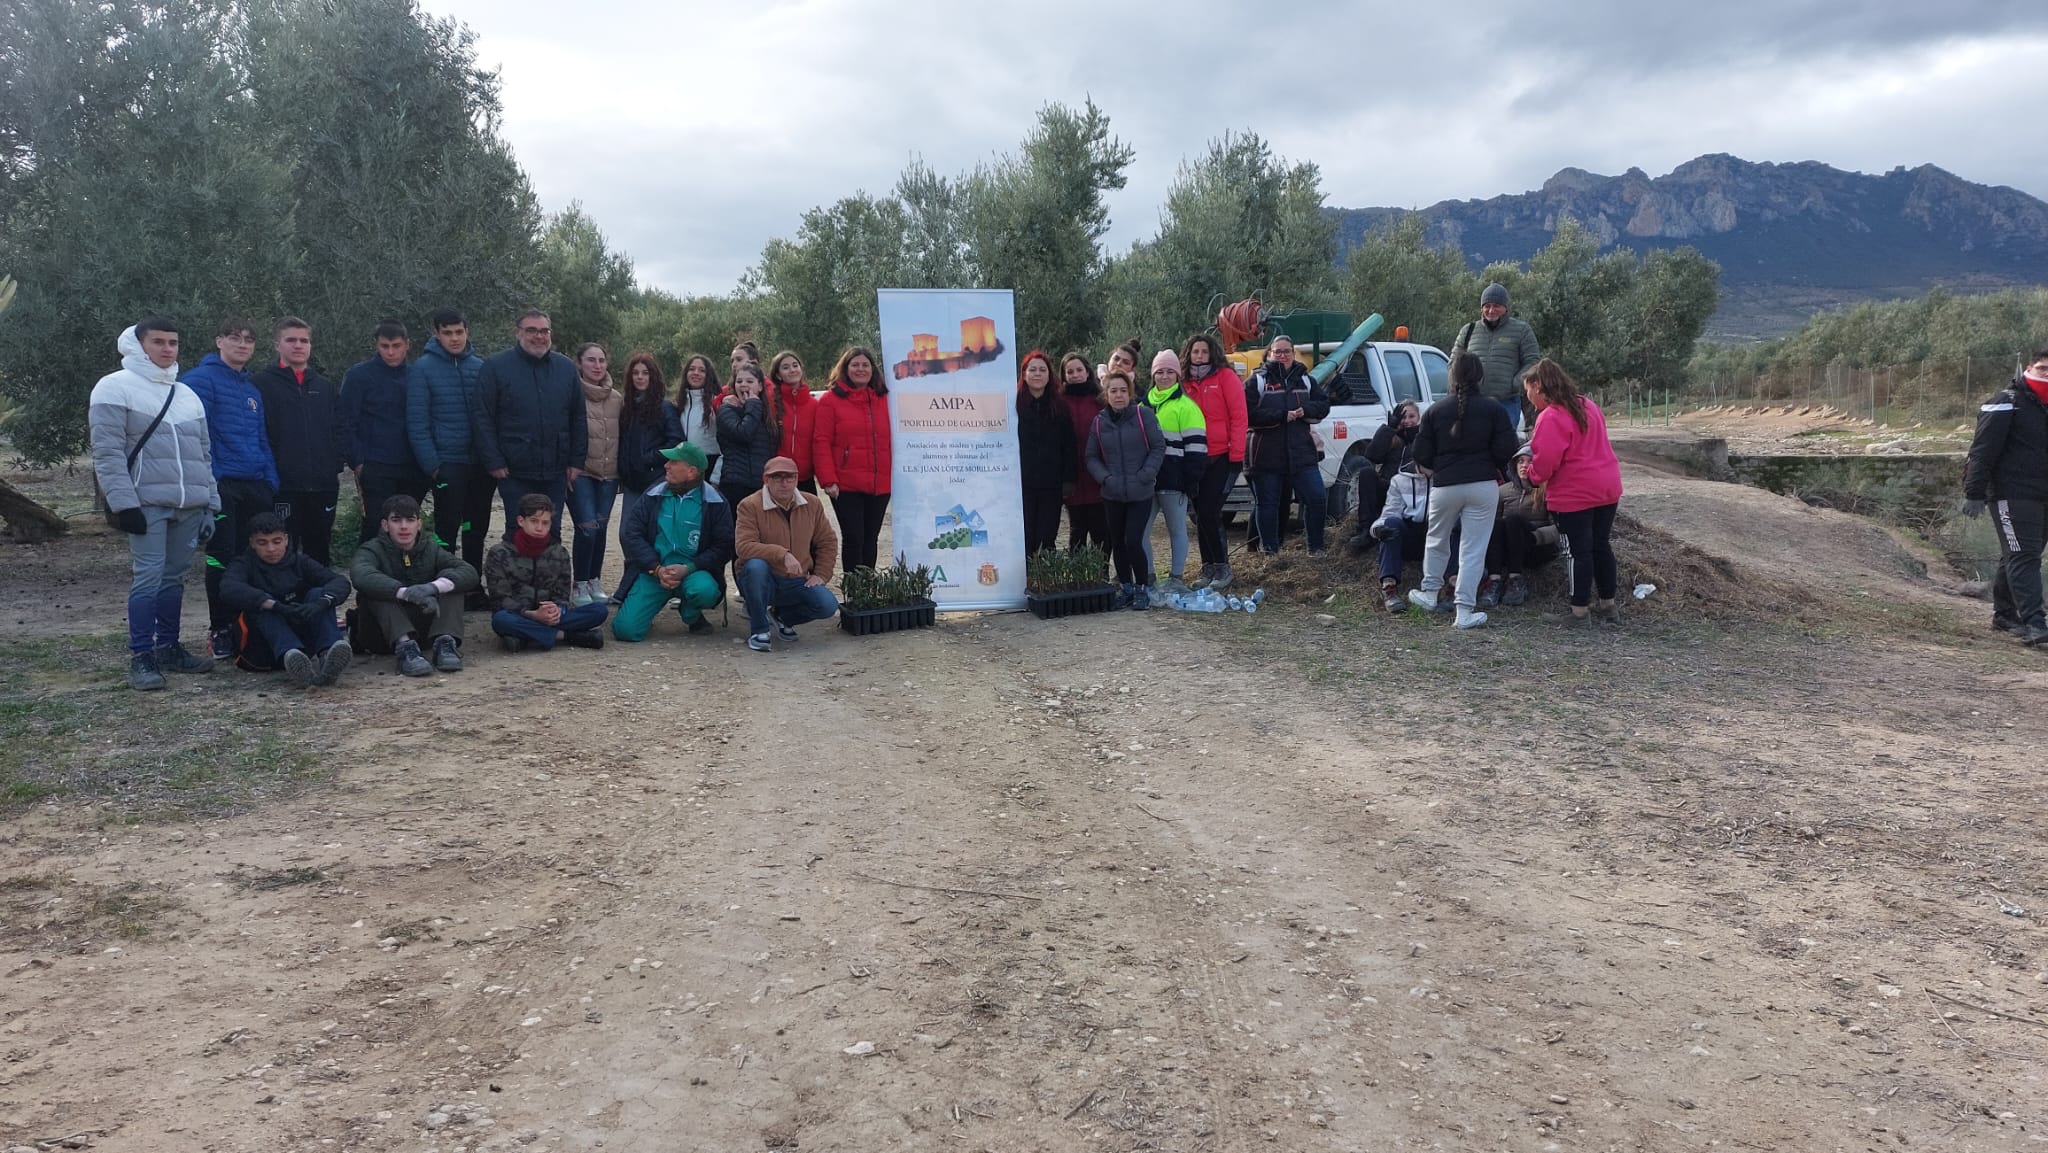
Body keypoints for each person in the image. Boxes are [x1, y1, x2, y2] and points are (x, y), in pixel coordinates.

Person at [90, 318, 220, 690]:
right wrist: (122, 504)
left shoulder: (186, 395)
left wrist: (211, 502)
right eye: (159, 342)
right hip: (145, 504)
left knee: (174, 579)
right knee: (147, 578)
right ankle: (142, 656)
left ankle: (169, 647)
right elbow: (108, 453)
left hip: (189, 506)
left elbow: (204, 454)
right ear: (137, 344)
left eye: (173, 343)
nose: (167, 349)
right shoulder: (114, 388)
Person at [181, 316, 280, 661]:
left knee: (256, 555)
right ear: (219, 341)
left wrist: (271, 480)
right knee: (221, 556)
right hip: (222, 483)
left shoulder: (251, 389)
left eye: (249, 340)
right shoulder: (198, 380)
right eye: (235, 338)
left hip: (256, 483)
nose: (243, 345)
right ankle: (220, 628)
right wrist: (211, 479)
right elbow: (194, 436)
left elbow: (261, 437)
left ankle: (250, 621)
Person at [1408, 352, 1517, 629]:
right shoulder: (1494, 410)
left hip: (1445, 485)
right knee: (1473, 548)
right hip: (1482, 484)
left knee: (1436, 539)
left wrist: (1440, 466)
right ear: (1480, 376)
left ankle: (1430, 592)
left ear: (1452, 377)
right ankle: (1464, 610)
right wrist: (1488, 463)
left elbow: (1420, 451)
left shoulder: (1435, 410)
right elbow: (1507, 449)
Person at [1524, 359, 1624, 623]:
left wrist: (1532, 477)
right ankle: (1608, 604)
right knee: (1601, 545)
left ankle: (1579, 611)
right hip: (1607, 486)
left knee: (1577, 552)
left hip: (1574, 493)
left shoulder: (1551, 416)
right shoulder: (1587, 405)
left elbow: (1546, 461)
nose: (1528, 397)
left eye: (1528, 390)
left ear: (1538, 386)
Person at [473, 309, 586, 541]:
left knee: (551, 531)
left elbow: (578, 417)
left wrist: (577, 461)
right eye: (532, 330)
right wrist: (493, 460)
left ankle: (550, 577)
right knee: (518, 531)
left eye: (544, 331)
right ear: (518, 333)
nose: (539, 336)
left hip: (555, 469)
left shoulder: (566, 368)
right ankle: (516, 577)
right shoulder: (495, 367)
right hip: (514, 470)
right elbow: (482, 417)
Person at [408, 308, 493, 604]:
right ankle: (445, 588)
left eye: (459, 332)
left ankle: (472, 586)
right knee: (446, 529)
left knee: (476, 527)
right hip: (447, 464)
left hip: (479, 465)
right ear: (436, 334)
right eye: (447, 332)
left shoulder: (480, 366)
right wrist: (433, 467)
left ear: (467, 331)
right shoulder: (423, 368)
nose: (454, 338)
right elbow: (417, 422)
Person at [1966, 348, 2048, 643]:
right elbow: (1982, 451)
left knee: (2019, 554)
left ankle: (2004, 615)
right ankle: (2036, 623)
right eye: (2043, 369)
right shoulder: (2006, 403)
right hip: (2011, 494)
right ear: (2029, 368)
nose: (2047, 376)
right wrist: (1973, 492)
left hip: (2042, 496)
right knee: (2023, 556)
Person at [612, 443, 733, 641]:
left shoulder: (716, 502)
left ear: (691, 471)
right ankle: (647, 608)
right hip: (655, 572)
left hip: (694, 573)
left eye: (674, 462)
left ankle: (691, 613)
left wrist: (689, 568)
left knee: (705, 591)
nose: (666, 465)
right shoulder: (653, 494)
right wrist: (656, 568)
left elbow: (724, 547)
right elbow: (632, 534)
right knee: (625, 631)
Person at [253, 316, 348, 565]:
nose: (298, 345)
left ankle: (319, 602)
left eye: (304, 340)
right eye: (291, 340)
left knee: (319, 550)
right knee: (282, 553)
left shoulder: (324, 386)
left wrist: (335, 463)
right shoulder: (261, 384)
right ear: (277, 345)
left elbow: (339, 428)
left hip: (323, 485)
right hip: (283, 485)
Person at [218, 511, 353, 686]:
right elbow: (228, 588)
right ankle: (291, 655)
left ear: (286, 539)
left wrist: (320, 604)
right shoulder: (243, 564)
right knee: (259, 604)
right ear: (252, 543)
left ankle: (328, 654)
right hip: (260, 648)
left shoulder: (299, 561)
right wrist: (275, 606)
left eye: (276, 541)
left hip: (301, 635)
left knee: (318, 593)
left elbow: (339, 581)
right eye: (262, 543)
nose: (271, 549)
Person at [349, 494, 478, 676]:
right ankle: (405, 648)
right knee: (375, 589)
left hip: (425, 632)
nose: (403, 526)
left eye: (410, 520)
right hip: (382, 636)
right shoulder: (371, 549)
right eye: (396, 520)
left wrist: (433, 587)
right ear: (385, 525)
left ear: (418, 524)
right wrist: (406, 593)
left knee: (450, 581)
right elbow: (360, 575)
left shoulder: (430, 548)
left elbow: (468, 572)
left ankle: (444, 643)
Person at [735, 455, 843, 651]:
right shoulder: (749, 505)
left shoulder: (812, 503)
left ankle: (783, 618)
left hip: (796, 578)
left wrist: (821, 574)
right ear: (766, 480)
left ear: (797, 479)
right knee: (755, 566)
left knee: (828, 605)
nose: (784, 483)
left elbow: (827, 541)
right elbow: (743, 547)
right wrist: (782, 554)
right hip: (763, 579)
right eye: (777, 478)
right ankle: (759, 630)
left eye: (790, 478)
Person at [485, 493, 607, 652]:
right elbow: (500, 599)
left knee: (599, 610)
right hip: (520, 614)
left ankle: (525, 637)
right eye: (534, 521)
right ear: (521, 521)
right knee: (501, 620)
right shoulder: (499, 553)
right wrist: (533, 614)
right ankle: (566, 636)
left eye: (545, 523)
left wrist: (555, 610)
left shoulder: (558, 552)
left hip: (551, 615)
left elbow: (562, 595)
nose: (539, 528)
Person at [342, 320, 428, 546]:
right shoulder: (359, 376)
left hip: (414, 465)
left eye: (396, 346)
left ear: (407, 345)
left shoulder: (417, 375)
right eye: (385, 346)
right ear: (376, 346)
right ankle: (368, 577)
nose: (391, 352)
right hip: (375, 464)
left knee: (407, 526)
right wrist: (357, 461)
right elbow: (346, 421)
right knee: (376, 525)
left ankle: (406, 575)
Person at [1085, 372, 1166, 610]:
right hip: (1113, 493)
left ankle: (1142, 587)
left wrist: (1146, 474)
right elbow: (1091, 456)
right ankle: (1126, 587)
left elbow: (1158, 447)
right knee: (1118, 542)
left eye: (1122, 390)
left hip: (1140, 492)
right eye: (1113, 391)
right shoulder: (1099, 421)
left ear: (1129, 393)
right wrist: (1105, 478)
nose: (1118, 395)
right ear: (1106, 394)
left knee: (1133, 541)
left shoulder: (1143, 416)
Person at [1244, 335, 1331, 556]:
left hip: (1301, 453)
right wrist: (1281, 416)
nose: (1282, 355)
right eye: (1278, 352)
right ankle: (1271, 554)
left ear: (1294, 353)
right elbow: (1247, 414)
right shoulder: (1257, 381)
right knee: (1268, 506)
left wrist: (1307, 411)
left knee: (1317, 498)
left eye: (1287, 351)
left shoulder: (1306, 380)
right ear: (1270, 354)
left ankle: (1317, 549)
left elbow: (1323, 405)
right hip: (1265, 455)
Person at [813, 346, 893, 573]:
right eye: (855, 365)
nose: (860, 369)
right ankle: (854, 593)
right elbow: (821, 441)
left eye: (865, 365)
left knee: (871, 539)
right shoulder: (830, 401)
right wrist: (828, 480)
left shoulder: (885, 398)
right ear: (845, 369)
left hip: (880, 483)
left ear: (872, 369)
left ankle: (867, 592)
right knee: (854, 538)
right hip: (846, 485)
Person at [1180, 333, 1246, 591]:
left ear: (1212, 354)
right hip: (1192, 457)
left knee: (1210, 512)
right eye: (1195, 352)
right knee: (1199, 514)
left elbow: (1239, 417)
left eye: (1203, 352)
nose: (1199, 356)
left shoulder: (1226, 378)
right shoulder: (1183, 382)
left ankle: (1222, 567)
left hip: (1221, 455)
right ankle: (1207, 568)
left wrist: (1237, 456)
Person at [1141, 349, 1208, 593]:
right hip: (1146, 482)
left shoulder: (1186, 406)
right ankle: (1148, 578)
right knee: (1140, 532)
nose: (1165, 376)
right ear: (1153, 374)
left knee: (1177, 531)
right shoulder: (1142, 405)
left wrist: (1191, 479)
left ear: (1178, 375)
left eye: (1170, 371)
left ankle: (1176, 578)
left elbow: (1197, 447)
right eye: (1160, 371)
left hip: (1174, 481)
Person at [568, 343, 623, 606]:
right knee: (587, 527)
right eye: (591, 360)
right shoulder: (571, 394)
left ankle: (594, 580)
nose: (597, 366)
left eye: (601, 360)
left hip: (609, 473)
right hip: (581, 472)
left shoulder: (616, 398)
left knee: (600, 528)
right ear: (579, 363)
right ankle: (579, 583)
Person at [1452, 283, 1543, 430]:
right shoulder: (1468, 330)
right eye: (1487, 306)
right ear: (1481, 308)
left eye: (1496, 306)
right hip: (1472, 402)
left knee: (1502, 446)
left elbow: (1533, 362)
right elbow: (1453, 362)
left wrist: (1514, 384)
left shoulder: (1522, 330)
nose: (1491, 310)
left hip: (1506, 403)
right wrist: (1457, 387)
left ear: (1505, 307)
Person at [1015, 350, 1075, 557]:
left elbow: (1069, 445)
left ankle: (1045, 583)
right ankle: (1025, 581)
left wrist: (1068, 480)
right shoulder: (1013, 406)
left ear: (1049, 375)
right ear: (1024, 374)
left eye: (1042, 370)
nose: (1037, 374)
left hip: (1052, 483)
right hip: (1022, 484)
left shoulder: (1060, 406)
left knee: (1047, 535)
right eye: (1033, 370)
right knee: (1025, 535)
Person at [1487, 445, 1562, 608]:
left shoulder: (1548, 491)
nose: (1524, 465)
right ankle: (1494, 581)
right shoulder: (1502, 491)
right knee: (1498, 523)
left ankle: (1515, 579)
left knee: (1514, 520)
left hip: (1536, 546)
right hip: (1508, 547)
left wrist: (1535, 537)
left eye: (1530, 461)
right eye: (1520, 461)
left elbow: (1558, 528)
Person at [618, 352, 684, 532]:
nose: (640, 377)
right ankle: (632, 562)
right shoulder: (626, 409)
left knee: (650, 531)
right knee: (627, 532)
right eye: (635, 373)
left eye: (645, 373)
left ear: (653, 376)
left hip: (655, 478)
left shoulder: (665, 408)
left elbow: (676, 441)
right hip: (632, 481)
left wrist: (649, 459)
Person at [1060, 353, 1109, 556]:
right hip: (1072, 477)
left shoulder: (1100, 400)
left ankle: (1102, 578)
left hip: (1097, 476)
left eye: (1079, 370)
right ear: (1064, 375)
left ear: (1087, 372)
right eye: (1070, 371)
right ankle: (1079, 583)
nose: (1075, 375)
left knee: (1101, 533)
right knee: (1077, 532)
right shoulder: (1059, 402)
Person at [715, 362, 777, 508]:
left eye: (749, 381)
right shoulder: (727, 410)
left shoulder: (766, 415)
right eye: (739, 381)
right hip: (736, 485)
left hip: (762, 485)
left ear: (760, 386)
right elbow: (744, 433)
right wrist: (753, 404)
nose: (743, 385)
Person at [765, 350, 819, 492]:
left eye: (795, 365)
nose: (792, 370)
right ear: (778, 375)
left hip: (804, 477)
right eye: (786, 367)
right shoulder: (770, 401)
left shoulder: (814, 405)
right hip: (777, 475)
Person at [675, 353, 722, 485]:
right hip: (684, 466)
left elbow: (725, 446)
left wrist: (716, 478)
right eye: (692, 369)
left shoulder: (717, 403)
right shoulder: (679, 404)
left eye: (702, 370)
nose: (696, 373)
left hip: (709, 467)